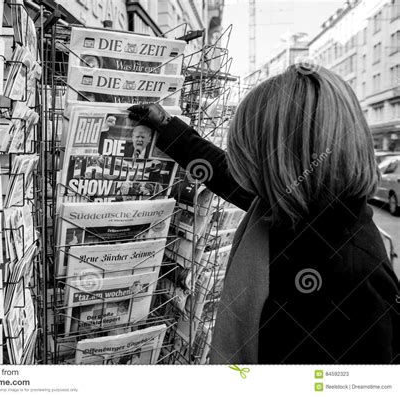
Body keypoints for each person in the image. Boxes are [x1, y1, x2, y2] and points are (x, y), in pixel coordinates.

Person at [128, 64, 400, 364]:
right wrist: (167, 127)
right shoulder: (300, 205)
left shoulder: (355, 277)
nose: (244, 169)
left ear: (285, 160)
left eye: (252, 154)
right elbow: (225, 174)